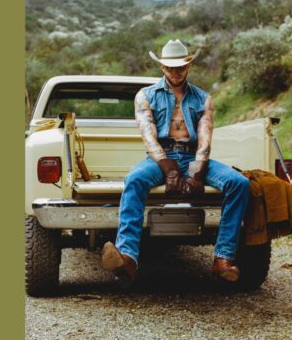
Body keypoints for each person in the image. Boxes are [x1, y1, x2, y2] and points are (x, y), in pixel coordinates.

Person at [101, 39, 251, 287]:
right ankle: (127, 257)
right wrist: (168, 169)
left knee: (239, 183)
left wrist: (197, 172)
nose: (176, 71)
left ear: (189, 65)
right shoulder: (145, 96)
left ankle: (223, 258)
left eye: (181, 66)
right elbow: (148, 137)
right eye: (170, 67)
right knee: (135, 180)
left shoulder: (203, 98)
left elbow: (205, 138)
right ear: (162, 67)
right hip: (161, 157)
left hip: (194, 156)